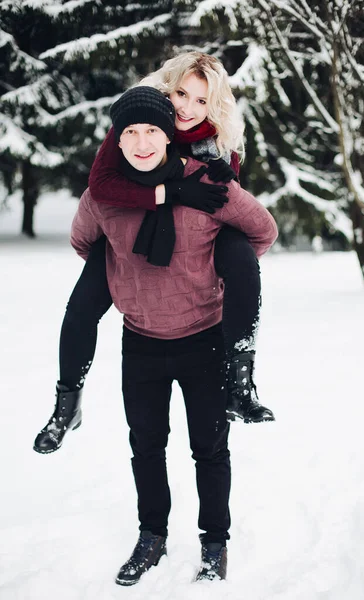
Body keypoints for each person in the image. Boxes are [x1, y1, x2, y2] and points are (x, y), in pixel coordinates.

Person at [70, 86, 278, 585]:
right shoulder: (108, 189)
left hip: (203, 339)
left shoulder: (208, 180)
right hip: (140, 341)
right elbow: (84, 242)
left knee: (209, 449)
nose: (142, 141)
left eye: (153, 131)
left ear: (170, 133)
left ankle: (214, 543)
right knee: (146, 446)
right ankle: (152, 538)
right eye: (132, 133)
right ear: (117, 140)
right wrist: (126, 274)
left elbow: (262, 232)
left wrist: (221, 261)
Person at [33, 52, 274, 456]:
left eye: (201, 101)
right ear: (167, 87)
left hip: (196, 237)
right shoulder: (138, 121)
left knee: (240, 257)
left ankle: (240, 381)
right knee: (82, 302)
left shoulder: (216, 138)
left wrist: (208, 265)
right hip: (128, 224)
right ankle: (67, 402)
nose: (187, 108)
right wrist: (174, 186)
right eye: (181, 93)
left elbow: (235, 200)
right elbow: (102, 186)